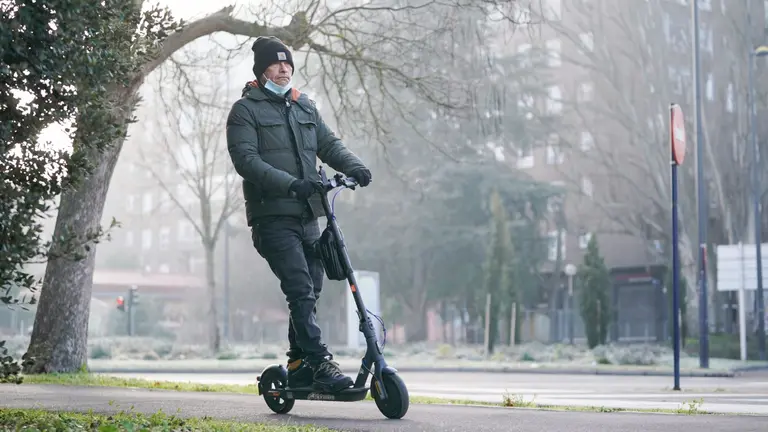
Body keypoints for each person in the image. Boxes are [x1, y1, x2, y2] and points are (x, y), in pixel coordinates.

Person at [225, 36, 372, 393]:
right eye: (276, 64)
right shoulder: (245, 111)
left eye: (287, 63)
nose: (283, 68)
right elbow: (247, 161)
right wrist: (292, 185)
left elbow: (329, 144)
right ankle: (320, 363)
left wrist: (356, 167)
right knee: (300, 287)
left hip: (309, 215)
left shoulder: (304, 106)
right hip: (272, 218)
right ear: (261, 71)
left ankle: (298, 362)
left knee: (313, 287)